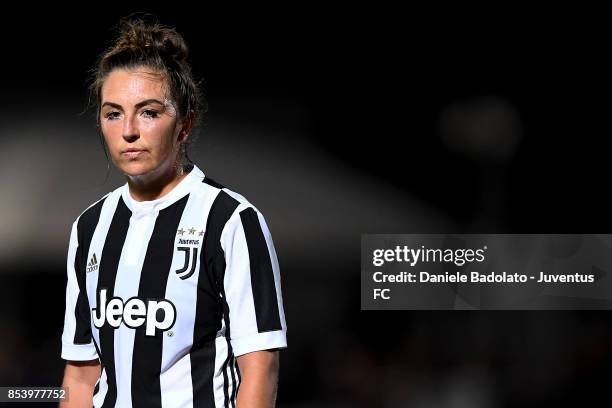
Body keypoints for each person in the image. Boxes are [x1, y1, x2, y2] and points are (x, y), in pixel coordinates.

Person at [60, 16, 287, 408]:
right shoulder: (89, 228)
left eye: (148, 112)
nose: (128, 129)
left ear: (184, 124)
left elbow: (260, 368)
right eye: (113, 113)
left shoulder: (230, 220)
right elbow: (80, 378)